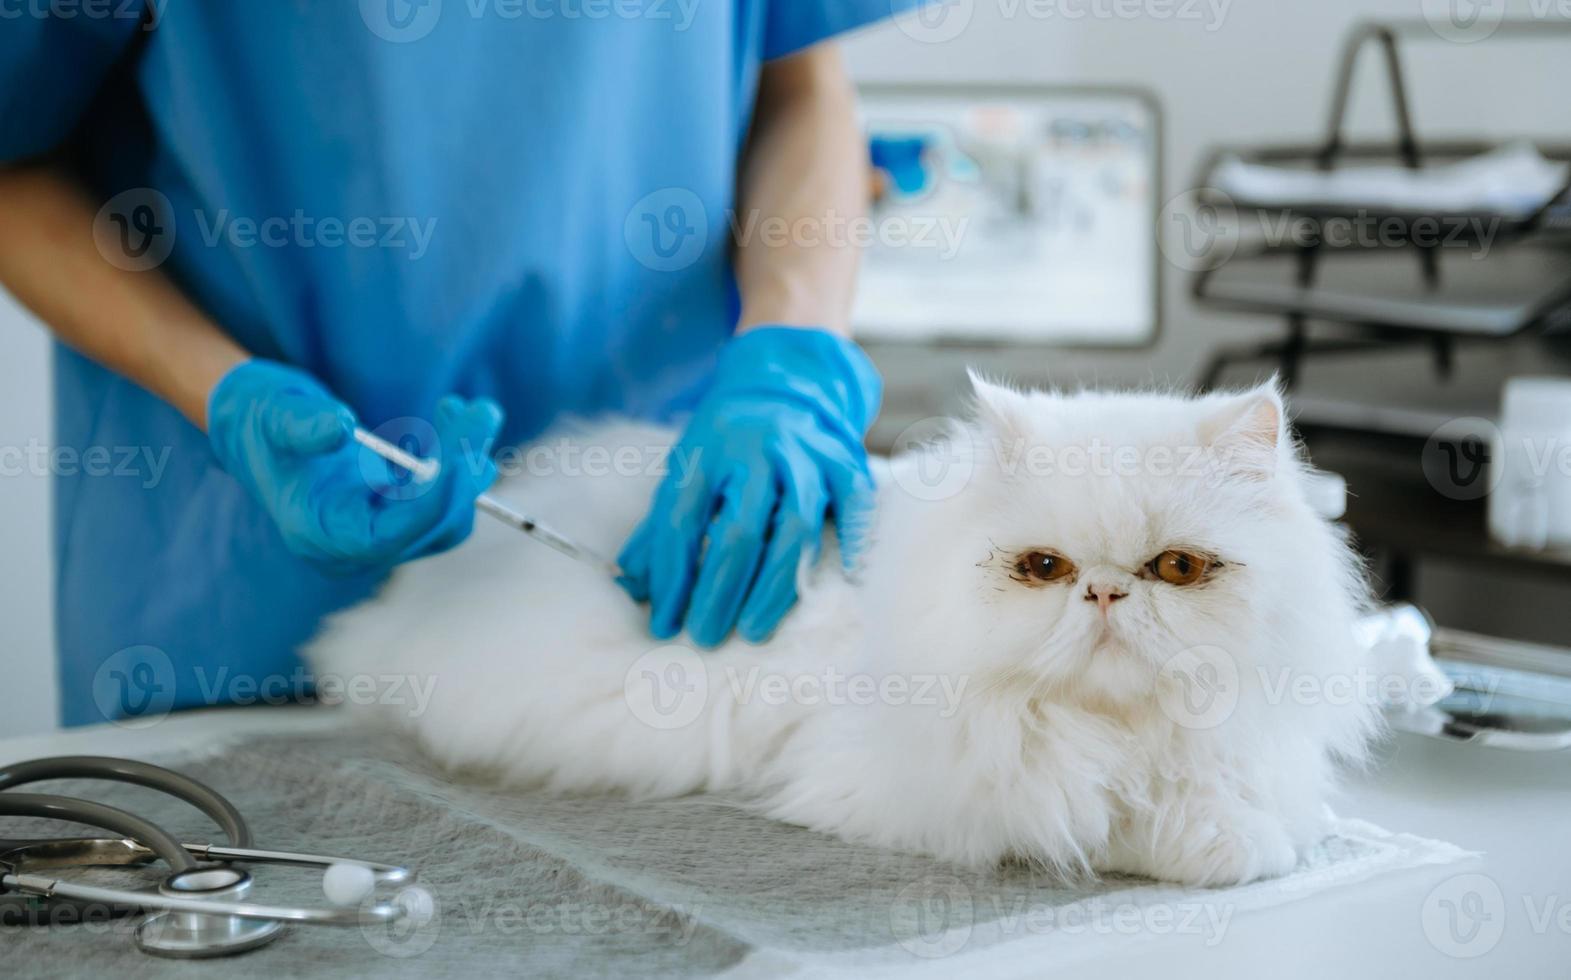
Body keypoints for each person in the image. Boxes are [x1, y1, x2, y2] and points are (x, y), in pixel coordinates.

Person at [0, 2, 912, 726]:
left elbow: (800, 85)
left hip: (666, 536)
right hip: (244, 584)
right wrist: (222, 394)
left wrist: (792, 350)